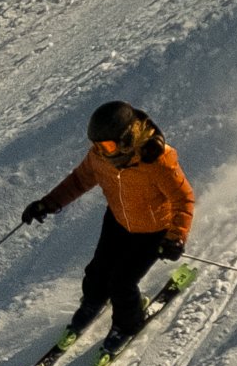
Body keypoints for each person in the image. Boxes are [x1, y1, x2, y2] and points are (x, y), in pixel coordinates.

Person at [21, 100, 195, 347]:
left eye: (107, 145)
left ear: (127, 138)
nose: (101, 151)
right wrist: (47, 203)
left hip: (153, 230)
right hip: (117, 221)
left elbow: (183, 199)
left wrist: (176, 237)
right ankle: (93, 300)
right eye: (97, 145)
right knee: (97, 271)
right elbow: (79, 181)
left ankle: (128, 323)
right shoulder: (100, 158)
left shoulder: (158, 161)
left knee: (122, 283)